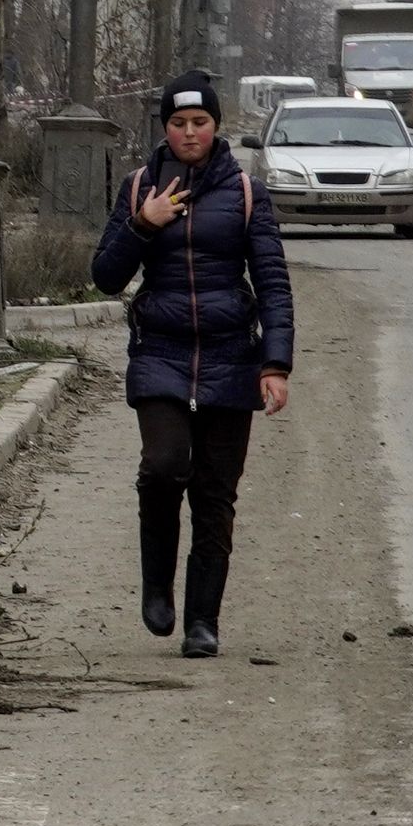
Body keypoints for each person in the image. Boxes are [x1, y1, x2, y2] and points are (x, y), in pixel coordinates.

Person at [88, 69, 294, 657]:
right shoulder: (138, 188)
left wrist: (274, 363)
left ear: (216, 126)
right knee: (162, 466)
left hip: (231, 357)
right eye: (178, 123)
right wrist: (142, 225)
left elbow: (274, 283)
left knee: (214, 493)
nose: (189, 133)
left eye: (199, 122)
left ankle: (204, 621)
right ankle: (157, 585)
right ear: (164, 129)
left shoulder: (247, 193)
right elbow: (105, 277)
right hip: (161, 352)